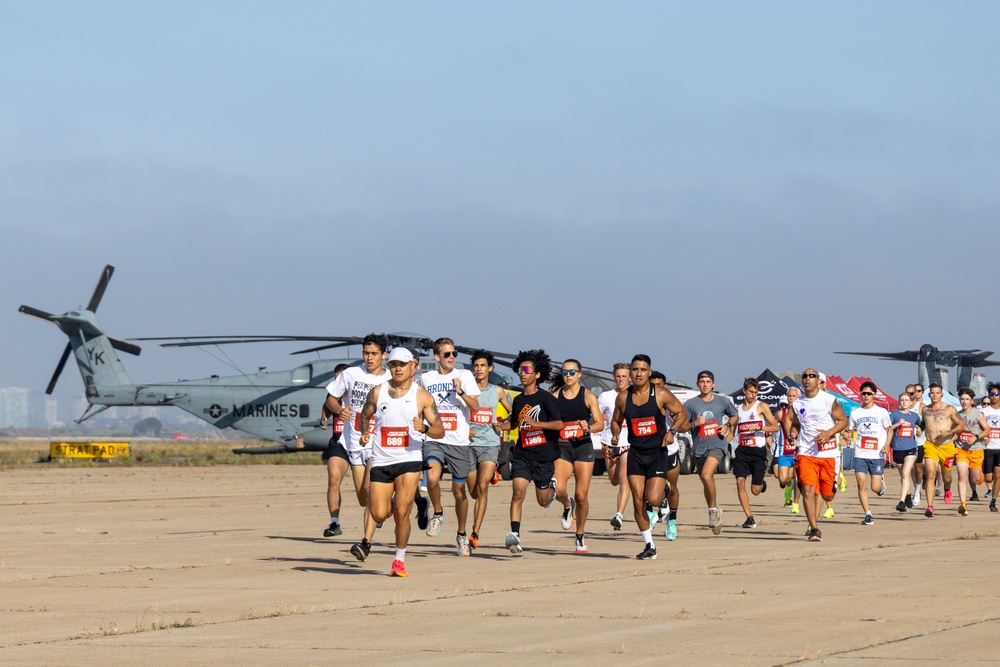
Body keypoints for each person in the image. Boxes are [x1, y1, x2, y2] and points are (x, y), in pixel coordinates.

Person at [349, 347, 444, 576]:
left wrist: (426, 428)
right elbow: (364, 416)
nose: (398, 368)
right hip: (381, 460)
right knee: (379, 513)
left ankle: (398, 561)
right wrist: (364, 432)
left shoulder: (421, 396)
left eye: (402, 364)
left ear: (413, 365)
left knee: (402, 512)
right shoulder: (377, 391)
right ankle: (417, 502)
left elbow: (440, 430)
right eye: (393, 364)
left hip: (409, 460)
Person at [611, 354, 689, 560]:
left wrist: (672, 432)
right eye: (635, 369)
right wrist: (615, 433)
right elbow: (616, 420)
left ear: (649, 372)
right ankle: (649, 545)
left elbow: (681, 413)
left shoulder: (660, 394)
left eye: (642, 370)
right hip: (635, 453)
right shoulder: (623, 398)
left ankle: (662, 487)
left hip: (657, 453)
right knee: (638, 502)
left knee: (653, 499)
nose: (638, 373)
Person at [318, 333, 390, 539]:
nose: (369, 357)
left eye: (374, 354)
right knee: (362, 498)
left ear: (383, 355)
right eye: (366, 353)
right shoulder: (350, 374)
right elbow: (331, 400)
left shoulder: (390, 379)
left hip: (377, 442)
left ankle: (365, 542)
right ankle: (386, 507)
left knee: (369, 489)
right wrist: (339, 411)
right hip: (353, 442)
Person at [417, 337, 481, 556]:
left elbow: (475, 406)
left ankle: (462, 534)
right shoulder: (426, 378)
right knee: (432, 478)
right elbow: (418, 404)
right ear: (437, 357)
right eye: (447, 354)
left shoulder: (464, 375)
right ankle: (437, 512)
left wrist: (461, 392)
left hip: (459, 441)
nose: (452, 357)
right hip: (434, 437)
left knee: (459, 492)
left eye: (454, 353)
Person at [496, 350, 562, 555]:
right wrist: (502, 427)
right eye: (519, 370)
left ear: (537, 374)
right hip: (523, 454)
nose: (522, 374)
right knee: (517, 493)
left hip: (543, 456)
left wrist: (537, 423)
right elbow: (515, 423)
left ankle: (551, 488)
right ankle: (515, 536)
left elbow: (559, 424)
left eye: (526, 370)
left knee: (543, 501)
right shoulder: (518, 400)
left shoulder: (546, 398)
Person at [783, 368, 848, 541]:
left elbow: (843, 421)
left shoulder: (829, 400)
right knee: (807, 489)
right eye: (804, 376)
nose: (807, 379)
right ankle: (814, 528)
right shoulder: (797, 404)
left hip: (828, 453)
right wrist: (792, 434)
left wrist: (828, 433)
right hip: (806, 452)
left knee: (827, 495)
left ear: (818, 380)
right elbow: (795, 423)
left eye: (812, 376)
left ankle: (833, 484)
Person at [550, 359, 604, 553]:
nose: (568, 375)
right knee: (558, 488)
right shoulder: (555, 396)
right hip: (563, 447)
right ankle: (566, 505)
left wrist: (588, 427)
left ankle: (580, 535)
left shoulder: (588, 396)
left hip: (582, 447)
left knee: (581, 496)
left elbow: (600, 423)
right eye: (565, 372)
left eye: (572, 372)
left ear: (579, 374)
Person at [466, 349, 513, 551]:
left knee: (482, 487)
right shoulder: (467, 391)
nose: (479, 369)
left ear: (490, 368)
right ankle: (489, 474)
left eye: (483, 365)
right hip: (468, 445)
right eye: (476, 366)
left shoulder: (497, 391)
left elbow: (515, 413)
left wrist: (502, 426)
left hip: (490, 444)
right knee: (473, 491)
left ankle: (475, 533)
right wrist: (464, 428)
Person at [684, 370, 737, 535]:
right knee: (706, 480)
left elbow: (735, 416)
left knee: (707, 475)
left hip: (717, 445)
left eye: (708, 381)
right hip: (699, 449)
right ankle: (713, 508)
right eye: (702, 382)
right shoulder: (691, 404)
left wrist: (727, 426)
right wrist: (694, 423)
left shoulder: (722, 401)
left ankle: (713, 512)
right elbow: (682, 426)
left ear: (713, 384)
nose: (705, 384)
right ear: (697, 384)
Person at [733, 378, 779, 528]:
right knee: (740, 483)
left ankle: (761, 483)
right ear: (744, 391)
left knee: (755, 491)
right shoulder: (737, 409)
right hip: (742, 451)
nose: (753, 395)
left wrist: (761, 429)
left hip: (757, 451)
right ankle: (749, 517)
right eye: (751, 392)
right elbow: (732, 430)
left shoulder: (761, 406)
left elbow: (775, 427)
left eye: (756, 392)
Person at [847, 382, 892, 525]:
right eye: (863, 393)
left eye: (868, 393)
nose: (865, 396)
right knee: (861, 483)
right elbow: (850, 429)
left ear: (874, 395)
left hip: (876, 454)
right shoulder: (855, 413)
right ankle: (868, 514)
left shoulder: (881, 412)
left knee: (875, 488)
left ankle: (881, 484)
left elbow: (889, 429)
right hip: (860, 453)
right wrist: (847, 435)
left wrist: (886, 445)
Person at [920, 383, 965, 518]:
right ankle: (930, 506)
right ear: (929, 395)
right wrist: (918, 430)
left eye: (937, 393)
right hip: (931, 445)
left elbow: (961, 424)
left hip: (946, 446)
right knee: (930, 474)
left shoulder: (949, 409)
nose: (934, 395)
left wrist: (950, 432)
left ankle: (947, 487)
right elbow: (924, 424)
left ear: (942, 395)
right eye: (932, 393)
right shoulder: (924, 410)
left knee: (947, 477)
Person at [599, 363, 632, 531]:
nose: (621, 379)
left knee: (623, 480)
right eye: (618, 376)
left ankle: (619, 514)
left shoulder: (635, 396)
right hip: (609, 443)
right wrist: (600, 417)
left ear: (630, 378)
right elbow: (596, 417)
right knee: (613, 480)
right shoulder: (605, 396)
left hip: (628, 442)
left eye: (624, 376)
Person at [651, 370, 682, 541]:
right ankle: (651, 513)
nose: (657, 388)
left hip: (670, 450)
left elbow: (684, 424)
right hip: (650, 450)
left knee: (672, 487)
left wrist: (674, 424)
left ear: (665, 386)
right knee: (646, 487)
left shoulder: (671, 401)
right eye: (653, 385)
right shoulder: (643, 400)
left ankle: (672, 520)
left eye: (660, 385)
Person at [320, 362, 350, 536]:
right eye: (335, 379)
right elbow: (325, 411)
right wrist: (323, 420)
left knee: (366, 490)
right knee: (333, 479)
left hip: (361, 443)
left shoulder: (361, 394)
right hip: (339, 442)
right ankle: (334, 523)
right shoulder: (332, 397)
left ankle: (380, 511)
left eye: (341, 379)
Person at [955, 387, 990, 515]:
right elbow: (954, 431)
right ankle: (963, 505)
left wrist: (975, 437)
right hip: (961, 449)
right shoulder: (957, 415)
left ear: (971, 401)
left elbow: (987, 430)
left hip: (976, 449)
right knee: (961, 476)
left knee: (975, 480)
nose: (964, 402)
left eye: (967, 399)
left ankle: (980, 476)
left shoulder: (978, 414)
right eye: (962, 399)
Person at [888, 391, 923, 512]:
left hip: (911, 447)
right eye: (902, 400)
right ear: (899, 402)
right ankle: (907, 494)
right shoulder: (894, 414)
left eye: (906, 400)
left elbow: (921, 426)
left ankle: (901, 502)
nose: (904, 402)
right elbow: (887, 428)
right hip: (897, 448)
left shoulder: (914, 416)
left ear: (910, 402)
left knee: (905, 472)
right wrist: (897, 424)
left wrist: (919, 431)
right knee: (903, 474)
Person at [774, 387, 801, 513]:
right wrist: (768, 435)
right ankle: (788, 488)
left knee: (796, 477)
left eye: (793, 396)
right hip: (784, 450)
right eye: (789, 396)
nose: (791, 398)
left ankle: (795, 504)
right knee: (783, 478)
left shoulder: (802, 412)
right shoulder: (781, 413)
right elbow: (773, 425)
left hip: (798, 449)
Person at [981, 382, 1000, 512]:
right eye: (991, 394)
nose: (993, 396)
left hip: (999, 447)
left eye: (996, 394)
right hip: (987, 448)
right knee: (989, 478)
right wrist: (982, 438)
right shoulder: (983, 411)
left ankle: (993, 501)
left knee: (998, 475)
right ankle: (990, 488)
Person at [907, 384, 927, 507]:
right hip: (907, 441)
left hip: (920, 441)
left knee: (919, 468)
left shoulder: (922, 407)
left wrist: (922, 430)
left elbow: (926, 422)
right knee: (910, 468)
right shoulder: (903, 406)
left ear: (916, 394)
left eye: (912, 393)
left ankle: (918, 489)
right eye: (907, 393)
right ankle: (916, 492)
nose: (909, 396)